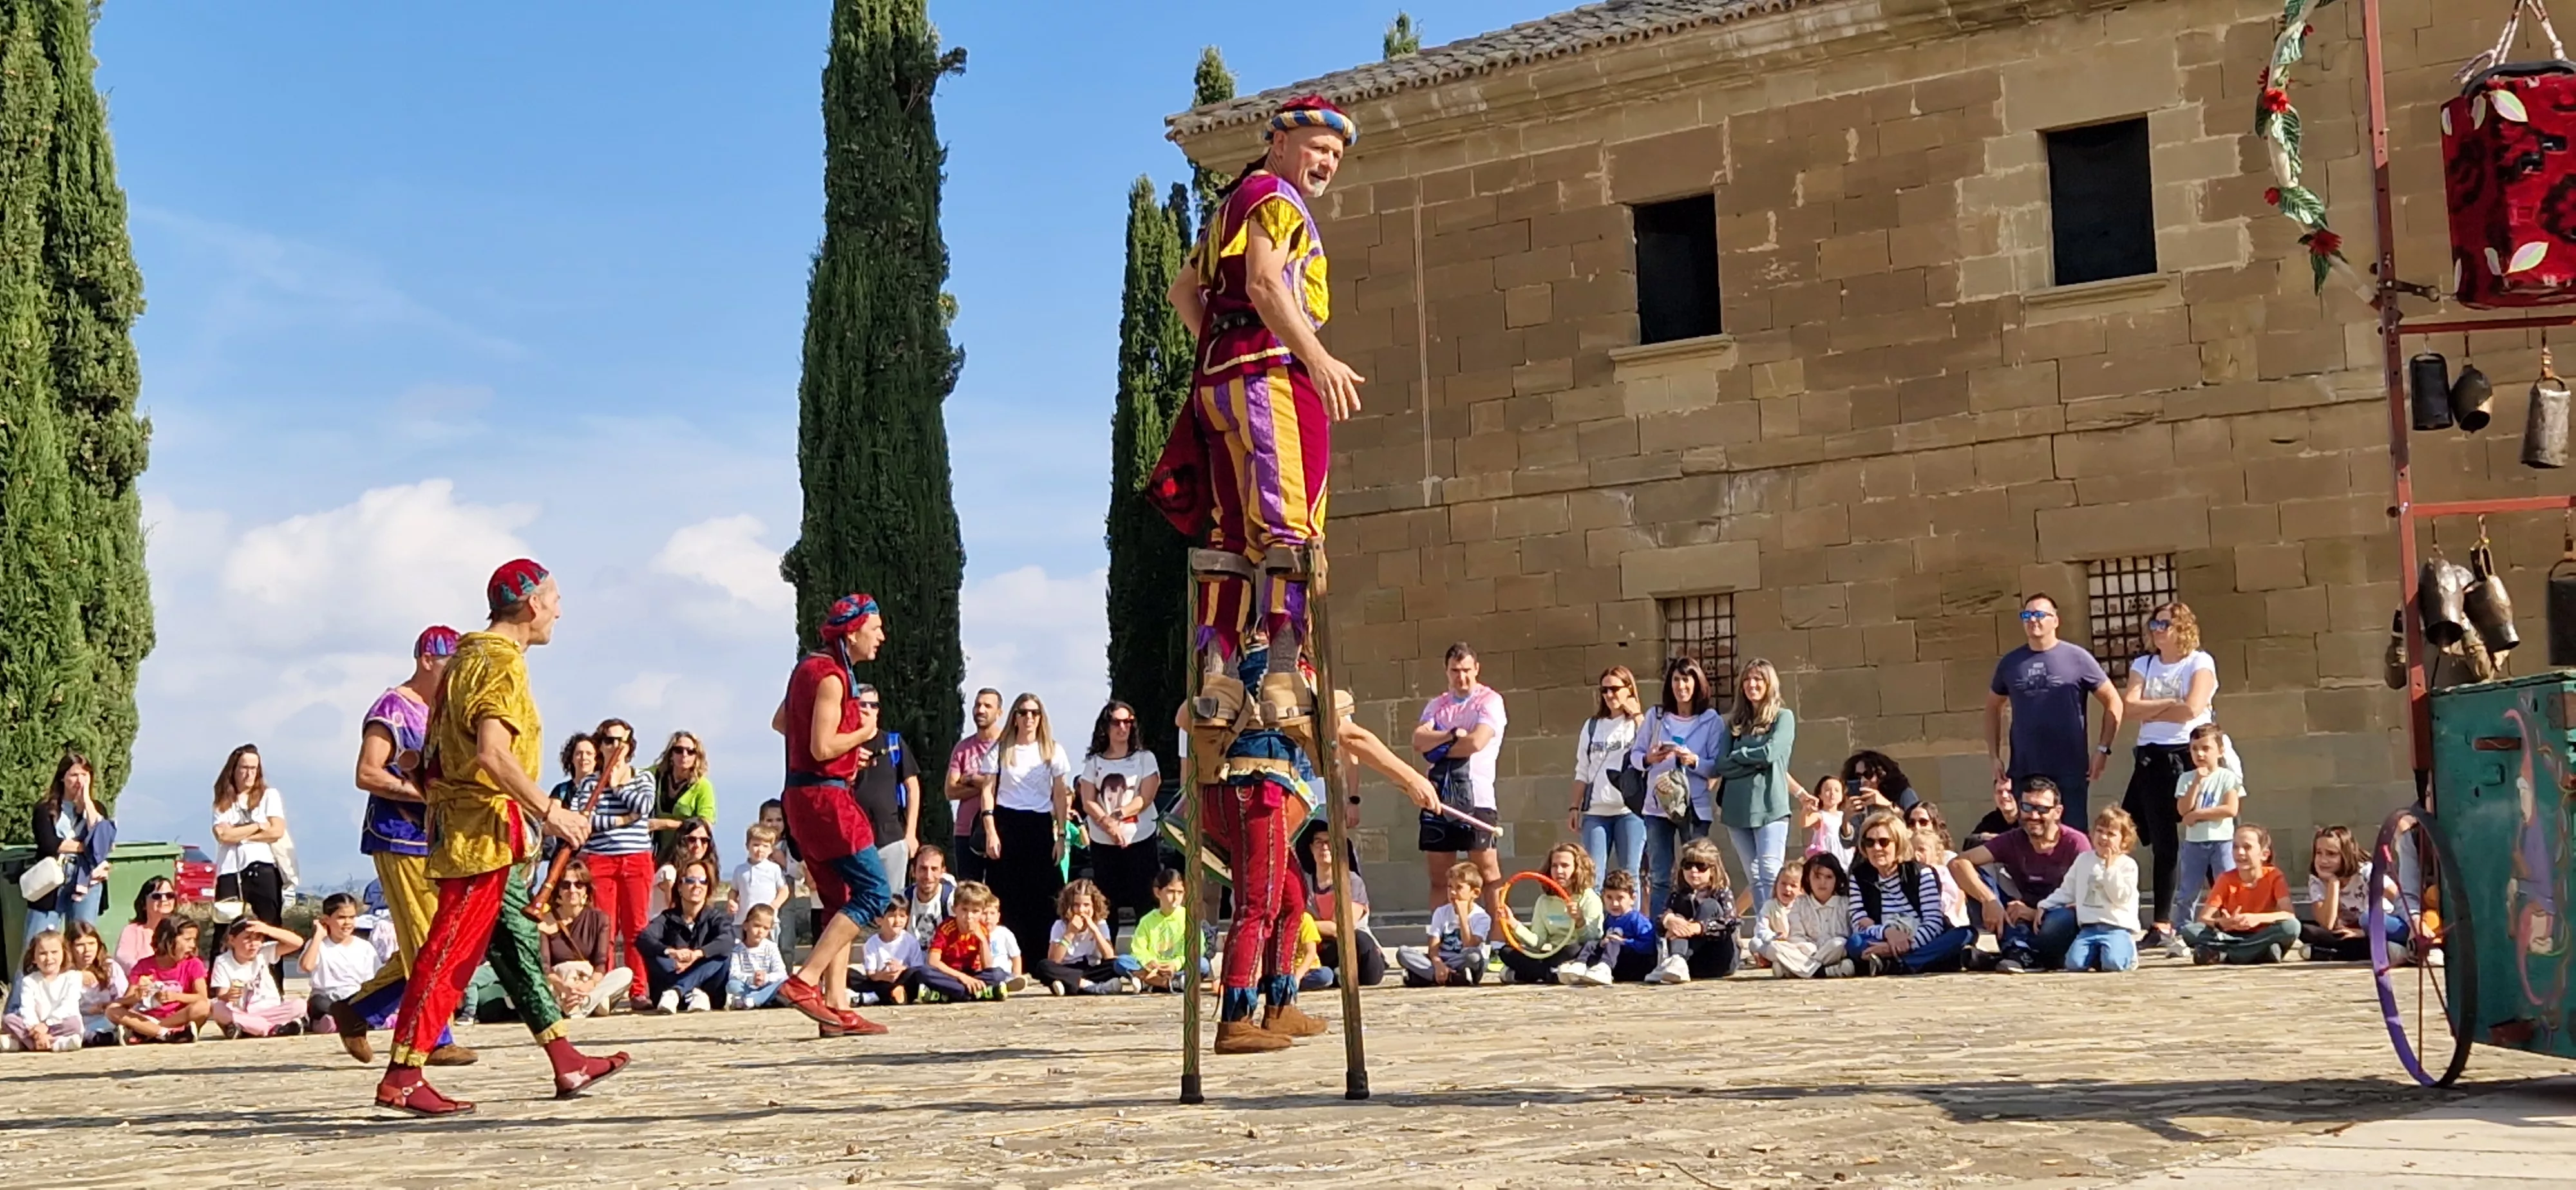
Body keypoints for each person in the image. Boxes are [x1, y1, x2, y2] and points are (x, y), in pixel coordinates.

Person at [372, 558, 627, 1117]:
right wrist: (552, 811)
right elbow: (492, 753)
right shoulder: (500, 663)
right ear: (533, 604)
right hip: (481, 834)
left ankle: (566, 1059)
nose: (559, 610)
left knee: (508, 944)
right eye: (555, 599)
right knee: (450, 954)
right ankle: (403, 1075)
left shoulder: (466, 657)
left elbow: (438, 752)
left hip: (478, 831)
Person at [1160, 93, 1363, 748]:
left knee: (1231, 530)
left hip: (1219, 381)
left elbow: (1183, 293)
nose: (1327, 162)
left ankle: (1217, 680)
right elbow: (1266, 283)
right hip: (1272, 376)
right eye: (1318, 148)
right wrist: (1316, 358)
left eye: (1335, 154)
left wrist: (1222, 344)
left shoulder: (1229, 206)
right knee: (1290, 525)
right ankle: (1282, 673)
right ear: (1279, 143)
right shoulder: (1276, 198)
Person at [332, 626, 473, 1066]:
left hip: (438, 839)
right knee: (424, 936)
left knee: (446, 936)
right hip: (398, 836)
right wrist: (419, 793)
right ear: (428, 660)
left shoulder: (443, 712)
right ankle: (435, 1036)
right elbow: (368, 772)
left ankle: (360, 1009)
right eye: (451, 663)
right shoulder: (392, 708)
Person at [766, 593, 900, 1037]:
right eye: (876, 628)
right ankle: (805, 982)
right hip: (827, 801)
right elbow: (822, 746)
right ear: (854, 631)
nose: (881, 636)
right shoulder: (831, 677)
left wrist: (842, 755)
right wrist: (861, 734)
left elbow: (783, 723)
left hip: (802, 795)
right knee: (874, 892)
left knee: (839, 900)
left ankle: (836, 1007)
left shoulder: (808, 668)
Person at [2120, 601, 2215, 951]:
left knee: (2206, 833)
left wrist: (2154, 708)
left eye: (2165, 625)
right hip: (2153, 757)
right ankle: (2162, 923)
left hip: (2189, 755)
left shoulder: (2199, 662)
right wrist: (2169, 704)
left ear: (2182, 628)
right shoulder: (2143, 665)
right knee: (2163, 843)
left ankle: (2223, 912)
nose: (2158, 631)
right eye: (2155, 624)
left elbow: (2192, 708)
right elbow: (2129, 707)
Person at [1987, 593, 2121, 822]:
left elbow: (2113, 701)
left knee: (2072, 834)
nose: (2033, 620)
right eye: (2027, 615)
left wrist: (2103, 749)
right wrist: (1994, 756)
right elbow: (1992, 707)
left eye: (2040, 614)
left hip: (2069, 768)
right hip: (2025, 768)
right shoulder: (2011, 663)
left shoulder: (2078, 658)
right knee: (2029, 834)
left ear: (2056, 621)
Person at [1949, 776, 2093, 973]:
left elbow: (2088, 899)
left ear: (2058, 812)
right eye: (2027, 807)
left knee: (2062, 919)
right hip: (2018, 920)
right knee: (1976, 876)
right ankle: (2021, 953)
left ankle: (2018, 954)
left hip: (2054, 920)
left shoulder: (2075, 843)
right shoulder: (2013, 839)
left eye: (2042, 809)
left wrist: (2034, 913)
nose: (2033, 815)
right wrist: (1989, 900)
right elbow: (1958, 863)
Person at [976, 692, 1075, 965]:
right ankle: (1005, 958)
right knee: (1006, 892)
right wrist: (990, 830)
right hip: (1007, 822)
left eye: (1034, 712)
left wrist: (1061, 835)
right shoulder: (1000, 748)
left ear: (1041, 717)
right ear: (1015, 717)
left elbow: (1059, 794)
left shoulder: (1053, 750)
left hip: (1039, 824)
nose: (1029, 717)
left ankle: (1043, 958)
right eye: (1023, 712)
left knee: (1044, 892)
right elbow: (988, 791)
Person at [1412, 642, 1508, 913]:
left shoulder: (1489, 701)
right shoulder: (1437, 705)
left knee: (1488, 873)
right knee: (1440, 877)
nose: (1461, 677)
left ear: (1476, 669)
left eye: (1466, 670)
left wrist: (1438, 749)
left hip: (1477, 797)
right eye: (1455, 671)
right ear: (1447, 671)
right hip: (1438, 797)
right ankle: (1440, 934)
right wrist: (1451, 735)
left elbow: (1476, 743)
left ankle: (1498, 934)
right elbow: (1419, 741)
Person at [1632, 655, 1722, 914]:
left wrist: (1694, 761)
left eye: (1686, 680)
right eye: (1676, 680)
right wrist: (1650, 759)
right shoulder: (1656, 716)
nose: (1681, 686)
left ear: (1697, 683)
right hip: (1657, 806)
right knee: (1660, 876)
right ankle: (1660, 929)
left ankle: (1698, 924)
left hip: (1694, 807)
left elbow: (1717, 767)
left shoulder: (1711, 720)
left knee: (1698, 871)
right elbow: (1636, 756)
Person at [574, 719, 654, 1003]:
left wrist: (618, 786)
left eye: (621, 740)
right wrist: (622, 820)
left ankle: (639, 990)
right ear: (601, 745)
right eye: (609, 740)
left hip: (637, 859)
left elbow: (644, 807)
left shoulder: (643, 777)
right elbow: (584, 820)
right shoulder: (589, 783)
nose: (615, 746)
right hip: (600, 859)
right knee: (604, 928)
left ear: (630, 746)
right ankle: (605, 991)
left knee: (637, 927)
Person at [1708, 658, 1794, 911]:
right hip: (1737, 809)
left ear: (1769, 683)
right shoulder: (1734, 724)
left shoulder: (1783, 718)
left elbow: (1771, 753)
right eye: (1747, 679)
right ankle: (1764, 926)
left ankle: (1776, 925)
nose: (1751, 684)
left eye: (1758, 679)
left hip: (1770, 806)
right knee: (1754, 876)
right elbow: (1721, 764)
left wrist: (1740, 754)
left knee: (1770, 871)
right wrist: (1752, 761)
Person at [1845, 810, 1972, 976]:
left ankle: (1896, 963)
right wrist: (1888, 933)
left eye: (1884, 842)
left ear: (1898, 844)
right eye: (1870, 842)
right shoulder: (1859, 876)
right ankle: (1920, 961)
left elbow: (1933, 923)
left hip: (1919, 936)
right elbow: (1858, 923)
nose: (1876, 848)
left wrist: (1904, 945)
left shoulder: (1922, 873)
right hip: (1884, 935)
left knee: (1966, 934)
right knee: (1855, 943)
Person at [1077, 700, 1163, 931]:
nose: (1123, 727)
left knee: (1146, 899)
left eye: (1128, 722)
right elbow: (1088, 800)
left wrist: (1119, 815)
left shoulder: (1145, 758)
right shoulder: (1094, 762)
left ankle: (1148, 949)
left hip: (1140, 839)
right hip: (1104, 843)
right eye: (1117, 722)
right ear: (1106, 726)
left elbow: (1146, 796)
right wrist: (1108, 824)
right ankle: (1108, 950)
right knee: (1106, 904)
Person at [210, 743, 289, 978]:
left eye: (254, 769)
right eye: (244, 768)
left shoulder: (269, 796)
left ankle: (275, 984)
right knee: (225, 928)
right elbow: (223, 836)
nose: (249, 774)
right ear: (234, 769)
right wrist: (256, 826)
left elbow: (276, 831)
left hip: (261, 867)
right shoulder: (223, 800)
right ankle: (219, 984)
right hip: (230, 870)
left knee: (269, 927)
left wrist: (239, 834)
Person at [27, 749, 117, 946]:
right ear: (63, 777)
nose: (80, 781)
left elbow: (101, 840)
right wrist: (87, 847)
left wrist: (87, 802)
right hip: (53, 879)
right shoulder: (46, 809)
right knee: (40, 941)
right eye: (74, 775)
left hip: (87, 879)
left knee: (83, 938)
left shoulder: (97, 809)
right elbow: (49, 844)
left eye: (85, 775)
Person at [2168, 722, 2242, 959]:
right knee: (2188, 891)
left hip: (2222, 842)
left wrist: (2198, 815)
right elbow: (2183, 810)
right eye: (2194, 749)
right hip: (2195, 843)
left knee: (2226, 887)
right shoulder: (2186, 778)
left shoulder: (2228, 777)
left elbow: (2230, 809)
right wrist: (2196, 784)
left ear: (2220, 751)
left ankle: (2227, 929)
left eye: (2206, 748)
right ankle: (2183, 933)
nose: (2199, 754)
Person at [840, 684, 922, 895]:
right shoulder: (842, 746)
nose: (867, 710)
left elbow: (913, 787)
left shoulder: (893, 743)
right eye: (862, 704)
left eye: (873, 705)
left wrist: (911, 834)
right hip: (854, 839)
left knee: (892, 902)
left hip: (891, 837)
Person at [1571, 665, 1645, 892]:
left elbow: (1651, 747)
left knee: (1630, 875)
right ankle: (1596, 917)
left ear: (1629, 689)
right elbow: (1582, 769)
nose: (1610, 695)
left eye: (1615, 689)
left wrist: (1637, 715)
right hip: (1596, 811)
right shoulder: (1592, 726)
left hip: (1629, 810)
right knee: (1593, 877)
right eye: (1605, 690)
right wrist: (1574, 806)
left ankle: (1632, 916)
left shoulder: (1637, 723)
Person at [2181, 824, 2300, 965]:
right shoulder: (2226, 879)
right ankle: (2255, 953)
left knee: (2292, 927)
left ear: (2264, 854)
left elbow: (2288, 914)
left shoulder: (2274, 876)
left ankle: (2227, 955)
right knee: (2189, 931)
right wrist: (2222, 923)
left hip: (2262, 935)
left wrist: (2257, 919)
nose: (2240, 852)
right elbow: (2204, 918)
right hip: (2230, 936)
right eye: (2235, 847)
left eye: (2247, 847)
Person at [2047, 808, 2145, 973]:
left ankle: (2127, 953)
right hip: (2089, 928)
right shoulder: (2084, 860)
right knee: (2074, 964)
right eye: (2100, 831)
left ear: (2124, 840)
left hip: (2116, 928)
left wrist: (2110, 869)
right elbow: (2067, 890)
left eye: (2111, 834)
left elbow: (2119, 897)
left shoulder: (2127, 865)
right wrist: (2045, 905)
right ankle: (2100, 955)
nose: (2104, 837)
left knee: (2114, 965)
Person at [639, 855, 736, 1014]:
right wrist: (671, 953)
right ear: (679, 886)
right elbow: (644, 938)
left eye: (703, 881)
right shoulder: (667, 918)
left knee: (722, 953)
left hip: (707, 993)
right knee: (654, 951)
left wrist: (698, 955)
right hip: (670, 984)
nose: (697, 885)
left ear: (708, 887)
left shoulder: (716, 918)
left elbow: (728, 940)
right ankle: (681, 991)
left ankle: (678, 991)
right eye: (690, 880)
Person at [1495, 844, 1602, 985]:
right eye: (1554, 866)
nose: (1559, 871)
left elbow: (1593, 939)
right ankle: (1552, 974)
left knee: (1574, 948)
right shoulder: (1544, 901)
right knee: (1506, 952)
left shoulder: (1590, 898)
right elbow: (1538, 941)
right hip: (1551, 954)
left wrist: (1580, 921)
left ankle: (1530, 974)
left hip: (1575, 952)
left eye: (1565, 866)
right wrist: (1513, 924)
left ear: (1578, 869)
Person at [537, 859, 631, 1019]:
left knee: (625, 974)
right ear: (558, 890)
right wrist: (565, 987)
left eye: (579, 885)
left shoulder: (600, 919)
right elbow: (545, 968)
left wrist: (586, 987)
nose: (572, 890)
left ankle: (580, 1006)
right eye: (566, 885)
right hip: (559, 984)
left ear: (586, 890)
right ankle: (593, 1004)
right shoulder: (546, 922)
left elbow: (600, 965)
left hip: (587, 982)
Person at [1298, 821, 1385, 988]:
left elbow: (1340, 928)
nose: (1324, 847)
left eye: (1329, 842)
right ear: (1311, 848)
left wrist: (1305, 925)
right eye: (1319, 842)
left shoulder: (1352, 881)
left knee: (1360, 939)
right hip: (1320, 951)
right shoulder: (1303, 884)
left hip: (1357, 951)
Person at [2304, 824, 2403, 961]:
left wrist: (2364, 932)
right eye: (2319, 853)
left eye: (2331, 854)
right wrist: (2333, 883)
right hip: (2349, 930)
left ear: (2346, 855)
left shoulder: (2366, 872)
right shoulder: (2318, 879)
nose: (2323, 860)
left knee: (2367, 918)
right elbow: (2328, 924)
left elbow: (2401, 900)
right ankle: (2375, 950)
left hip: (2382, 924)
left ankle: (2335, 953)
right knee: (2309, 932)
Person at [1652, 837, 1741, 983]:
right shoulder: (1678, 895)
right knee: (1676, 917)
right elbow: (1658, 923)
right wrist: (1668, 921)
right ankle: (1677, 960)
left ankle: (1678, 960)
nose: (1694, 871)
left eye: (1701, 866)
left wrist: (1699, 927)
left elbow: (1730, 923)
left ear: (1712, 870)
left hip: (1719, 959)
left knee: (1709, 906)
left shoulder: (1721, 893)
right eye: (1688, 865)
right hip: (1692, 963)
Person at [109, 918, 208, 1043]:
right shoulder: (144, 966)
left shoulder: (194, 964)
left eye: (194, 940)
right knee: (112, 1010)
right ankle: (164, 1033)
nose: (193, 945)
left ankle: (148, 1032)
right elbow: (126, 1002)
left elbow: (202, 997)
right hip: (147, 1018)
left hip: (178, 1019)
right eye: (188, 940)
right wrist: (137, 997)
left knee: (203, 1007)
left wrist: (176, 997)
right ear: (168, 940)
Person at [1037, 880, 1139, 995]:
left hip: (1092, 970)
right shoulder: (1060, 926)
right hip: (1067, 969)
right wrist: (1070, 933)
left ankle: (1070, 985)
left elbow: (1109, 956)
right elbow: (1054, 960)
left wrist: (1095, 930)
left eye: (1086, 905)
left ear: (1094, 906)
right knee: (1043, 967)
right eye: (1076, 905)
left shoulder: (1100, 924)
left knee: (1118, 962)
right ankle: (1091, 987)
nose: (1081, 910)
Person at [945, 689, 1005, 885]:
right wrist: (988, 785)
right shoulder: (963, 748)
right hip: (965, 832)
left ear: (999, 712)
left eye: (988, 706)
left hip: (1000, 829)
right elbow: (950, 791)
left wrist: (969, 778)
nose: (981, 710)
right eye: (978, 705)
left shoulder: (1007, 746)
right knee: (968, 892)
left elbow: (1008, 786)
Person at [209, 918, 307, 1038]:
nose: (253, 944)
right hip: (243, 1014)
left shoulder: (263, 952)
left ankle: (251, 1029)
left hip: (271, 1010)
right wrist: (229, 995)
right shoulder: (223, 961)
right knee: (217, 1007)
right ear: (232, 940)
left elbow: (298, 943)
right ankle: (274, 1028)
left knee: (300, 1005)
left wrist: (268, 929)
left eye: (258, 938)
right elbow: (222, 996)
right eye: (247, 938)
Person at [1398, 862, 1491, 987]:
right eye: (1450, 887)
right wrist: (1438, 964)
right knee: (1403, 953)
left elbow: (1469, 945)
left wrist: (1463, 917)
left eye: (1459, 888)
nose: (1452, 892)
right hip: (1442, 960)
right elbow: (1433, 948)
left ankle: (1427, 976)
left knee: (1474, 956)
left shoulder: (1482, 917)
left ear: (1475, 893)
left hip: (1464, 961)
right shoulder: (1441, 912)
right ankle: (1452, 977)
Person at [1766, 854, 1853, 979]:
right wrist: (1809, 949)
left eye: (1829, 877)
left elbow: (1848, 935)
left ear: (1837, 879)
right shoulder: (1800, 903)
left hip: (1834, 954)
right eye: (1817, 877)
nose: (1822, 883)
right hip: (1806, 953)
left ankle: (1799, 970)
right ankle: (1822, 971)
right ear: (1808, 879)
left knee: (1839, 943)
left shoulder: (1845, 904)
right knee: (1774, 947)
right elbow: (1796, 936)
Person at [300, 892, 381, 1025]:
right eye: (341, 918)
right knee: (318, 1003)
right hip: (327, 999)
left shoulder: (365, 947)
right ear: (327, 919)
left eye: (351, 917)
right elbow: (307, 966)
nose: (347, 922)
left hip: (354, 997)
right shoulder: (318, 944)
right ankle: (337, 1022)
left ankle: (348, 1021)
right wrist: (318, 936)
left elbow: (375, 979)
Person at [919, 882, 1008, 1003]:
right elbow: (933, 961)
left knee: (999, 974)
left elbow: (987, 966)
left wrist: (982, 940)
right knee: (924, 972)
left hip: (972, 973)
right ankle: (976, 992)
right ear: (954, 909)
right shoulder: (946, 929)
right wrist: (963, 978)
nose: (969, 916)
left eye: (975, 911)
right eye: (964, 910)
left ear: (982, 912)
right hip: (950, 974)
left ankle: (952, 994)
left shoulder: (982, 930)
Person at [1575, 869, 1659, 984]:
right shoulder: (1608, 919)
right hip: (1617, 963)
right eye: (1609, 898)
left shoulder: (1637, 920)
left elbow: (1649, 947)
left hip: (1636, 965)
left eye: (1620, 898)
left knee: (1613, 941)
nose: (1614, 904)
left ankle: (1604, 969)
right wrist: (1603, 943)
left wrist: (1624, 942)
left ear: (1633, 899)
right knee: (1592, 944)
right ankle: (1579, 966)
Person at [5, 930, 83, 1052]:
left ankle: (25, 1044)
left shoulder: (73, 977)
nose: (49, 958)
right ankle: (55, 1043)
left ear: (64, 953)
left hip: (58, 1024)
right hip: (35, 1028)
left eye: (54, 952)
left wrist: (47, 1024)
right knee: (9, 1019)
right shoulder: (29, 981)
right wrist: (37, 1031)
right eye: (43, 953)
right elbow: (27, 1009)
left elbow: (68, 1006)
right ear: (34, 958)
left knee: (74, 1024)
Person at [649, 732, 717, 865]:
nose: (684, 755)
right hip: (657, 852)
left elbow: (705, 825)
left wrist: (663, 824)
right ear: (671, 754)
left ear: (697, 757)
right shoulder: (656, 775)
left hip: (688, 855)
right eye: (679, 750)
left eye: (690, 751)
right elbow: (632, 776)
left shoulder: (702, 786)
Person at [1129, 869, 1192, 992]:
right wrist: (1149, 962)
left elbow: (1197, 948)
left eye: (1180, 893)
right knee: (1122, 961)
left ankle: (1147, 981)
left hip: (1177, 967)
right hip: (1153, 967)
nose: (1176, 897)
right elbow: (1137, 949)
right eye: (1171, 892)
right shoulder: (1147, 920)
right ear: (1157, 892)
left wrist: (1176, 964)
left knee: (1203, 964)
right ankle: (1169, 983)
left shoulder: (1190, 917)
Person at [66, 923, 123, 1048]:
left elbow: (123, 997)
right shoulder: (64, 973)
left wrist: (105, 1006)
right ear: (70, 947)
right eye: (80, 945)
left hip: (105, 1017)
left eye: (92, 944)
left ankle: (103, 1036)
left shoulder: (110, 967)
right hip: (77, 1019)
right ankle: (92, 1036)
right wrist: (77, 976)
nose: (87, 950)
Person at [853, 902, 922, 1005]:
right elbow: (871, 974)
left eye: (902, 916)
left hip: (903, 980)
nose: (898, 921)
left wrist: (901, 969)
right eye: (892, 916)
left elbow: (918, 967)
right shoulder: (872, 943)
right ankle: (893, 994)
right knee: (852, 975)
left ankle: (879, 996)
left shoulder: (911, 941)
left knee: (915, 975)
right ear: (879, 920)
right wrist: (884, 976)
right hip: (882, 980)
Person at [650, 820, 719, 918]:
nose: (698, 845)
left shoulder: (705, 872)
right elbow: (673, 911)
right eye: (692, 840)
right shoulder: (669, 872)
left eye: (704, 840)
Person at [728, 903, 788, 1010]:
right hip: (746, 987)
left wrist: (766, 978)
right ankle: (757, 1000)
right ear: (746, 926)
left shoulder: (771, 947)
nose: (761, 931)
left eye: (766, 928)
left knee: (785, 983)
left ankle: (753, 1000)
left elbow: (782, 973)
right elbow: (734, 974)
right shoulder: (737, 949)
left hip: (767, 986)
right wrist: (752, 979)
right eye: (757, 926)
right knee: (732, 985)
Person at [733, 824, 791, 927]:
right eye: (756, 845)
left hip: (768, 921)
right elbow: (734, 890)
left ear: (771, 849)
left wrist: (774, 905)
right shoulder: (740, 870)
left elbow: (784, 890)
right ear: (747, 846)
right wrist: (732, 902)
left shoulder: (774, 869)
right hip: (743, 920)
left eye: (765, 846)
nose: (760, 849)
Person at [115, 876, 175, 976]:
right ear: (144, 904)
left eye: (170, 895)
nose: (164, 900)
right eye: (157, 896)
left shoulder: (180, 930)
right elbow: (123, 959)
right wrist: (144, 973)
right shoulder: (132, 931)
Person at [1793, 773, 1850, 867]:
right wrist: (1806, 809)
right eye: (1827, 790)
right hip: (1827, 856)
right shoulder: (1820, 815)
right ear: (1820, 795)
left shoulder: (1844, 816)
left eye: (1837, 790)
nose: (1832, 794)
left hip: (1845, 856)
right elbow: (1804, 823)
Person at [907, 845, 957, 947]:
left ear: (942, 872)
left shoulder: (953, 901)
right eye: (923, 869)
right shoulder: (904, 899)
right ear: (913, 871)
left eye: (934, 869)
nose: (928, 876)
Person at [1749, 864, 1795, 971]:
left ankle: (1780, 961)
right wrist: (1774, 937)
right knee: (1755, 943)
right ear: (1776, 885)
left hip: (1794, 945)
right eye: (1783, 884)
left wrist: (1789, 937)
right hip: (1774, 943)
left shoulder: (1801, 906)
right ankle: (1771, 959)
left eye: (1793, 885)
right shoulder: (1770, 905)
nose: (1787, 889)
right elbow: (1761, 928)